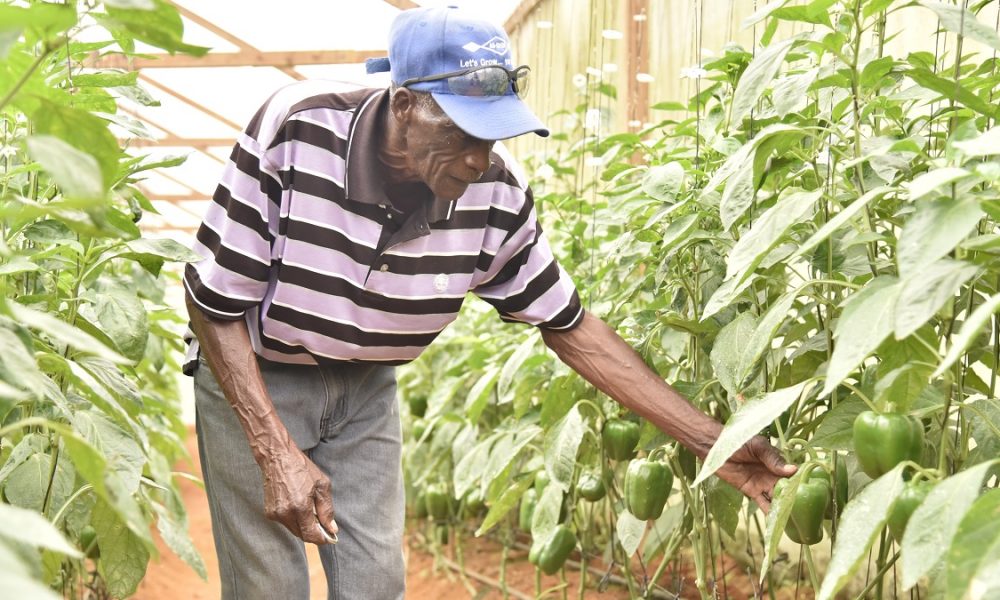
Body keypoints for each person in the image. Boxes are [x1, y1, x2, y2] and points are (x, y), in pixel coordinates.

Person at [183, 6, 795, 600]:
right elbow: (211, 299)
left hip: (366, 388)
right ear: (404, 105)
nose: (479, 159)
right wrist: (272, 447)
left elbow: (570, 325)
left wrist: (714, 443)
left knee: (374, 583)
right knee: (271, 587)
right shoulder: (299, 129)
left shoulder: (494, 194)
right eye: (460, 132)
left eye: (495, 134)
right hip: (254, 376)